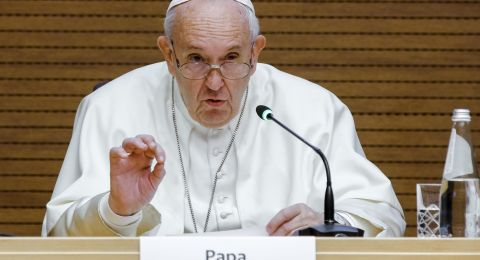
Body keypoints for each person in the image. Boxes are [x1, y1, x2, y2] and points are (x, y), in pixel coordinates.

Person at [42, 0, 406, 237]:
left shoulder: (314, 108)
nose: (215, 83)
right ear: (168, 54)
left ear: (256, 51)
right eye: (196, 59)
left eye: (232, 57)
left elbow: (382, 215)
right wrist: (117, 211)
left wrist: (329, 226)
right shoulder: (108, 107)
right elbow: (56, 240)